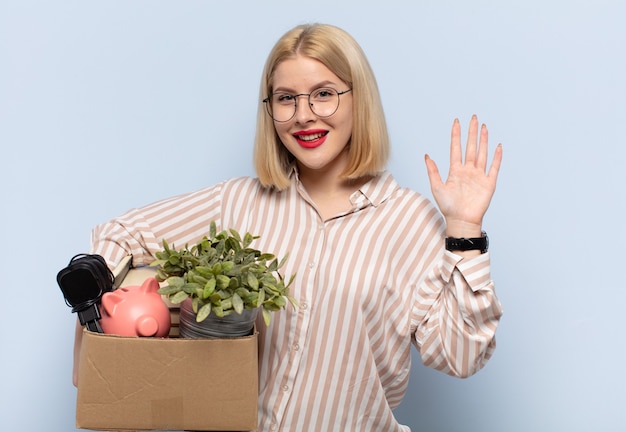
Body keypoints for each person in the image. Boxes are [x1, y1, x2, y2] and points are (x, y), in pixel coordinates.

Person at [73, 23, 503, 431]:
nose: (304, 115)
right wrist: (113, 310)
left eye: (324, 94)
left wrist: (465, 228)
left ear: (359, 101)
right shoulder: (237, 203)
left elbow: (460, 356)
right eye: (286, 98)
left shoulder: (412, 222)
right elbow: (118, 236)